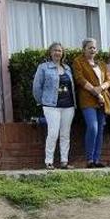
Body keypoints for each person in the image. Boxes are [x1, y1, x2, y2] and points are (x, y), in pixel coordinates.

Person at [33, 42, 75, 170]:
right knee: (53, 132)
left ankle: (64, 161)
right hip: (51, 105)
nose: (58, 53)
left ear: (63, 53)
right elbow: (36, 87)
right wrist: (43, 101)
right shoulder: (43, 67)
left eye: (60, 51)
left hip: (68, 106)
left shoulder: (67, 68)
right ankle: (49, 161)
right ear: (50, 53)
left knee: (65, 134)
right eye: (55, 50)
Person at [73, 38, 110, 168]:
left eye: (94, 47)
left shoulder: (101, 64)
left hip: (102, 99)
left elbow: (109, 80)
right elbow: (79, 78)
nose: (92, 50)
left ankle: (96, 159)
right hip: (87, 99)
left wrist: (101, 88)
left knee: (100, 129)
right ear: (84, 49)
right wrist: (95, 91)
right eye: (90, 47)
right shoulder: (79, 62)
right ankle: (89, 159)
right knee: (93, 127)